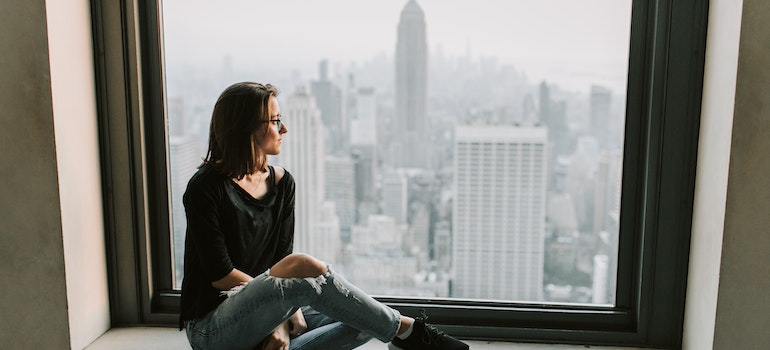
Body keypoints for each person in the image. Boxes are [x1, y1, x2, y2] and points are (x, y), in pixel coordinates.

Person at [179, 81, 469, 350]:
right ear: (245, 128)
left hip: (266, 304)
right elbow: (222, 276)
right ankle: (410, 331)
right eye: (275, 120)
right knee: (305, 267)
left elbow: (277, 262)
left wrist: (279, 314)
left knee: (366, 319)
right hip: (213, 327)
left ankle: (399, 334)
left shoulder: (282, 183)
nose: (284, 129)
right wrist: (278, 316)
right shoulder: (205, 187)